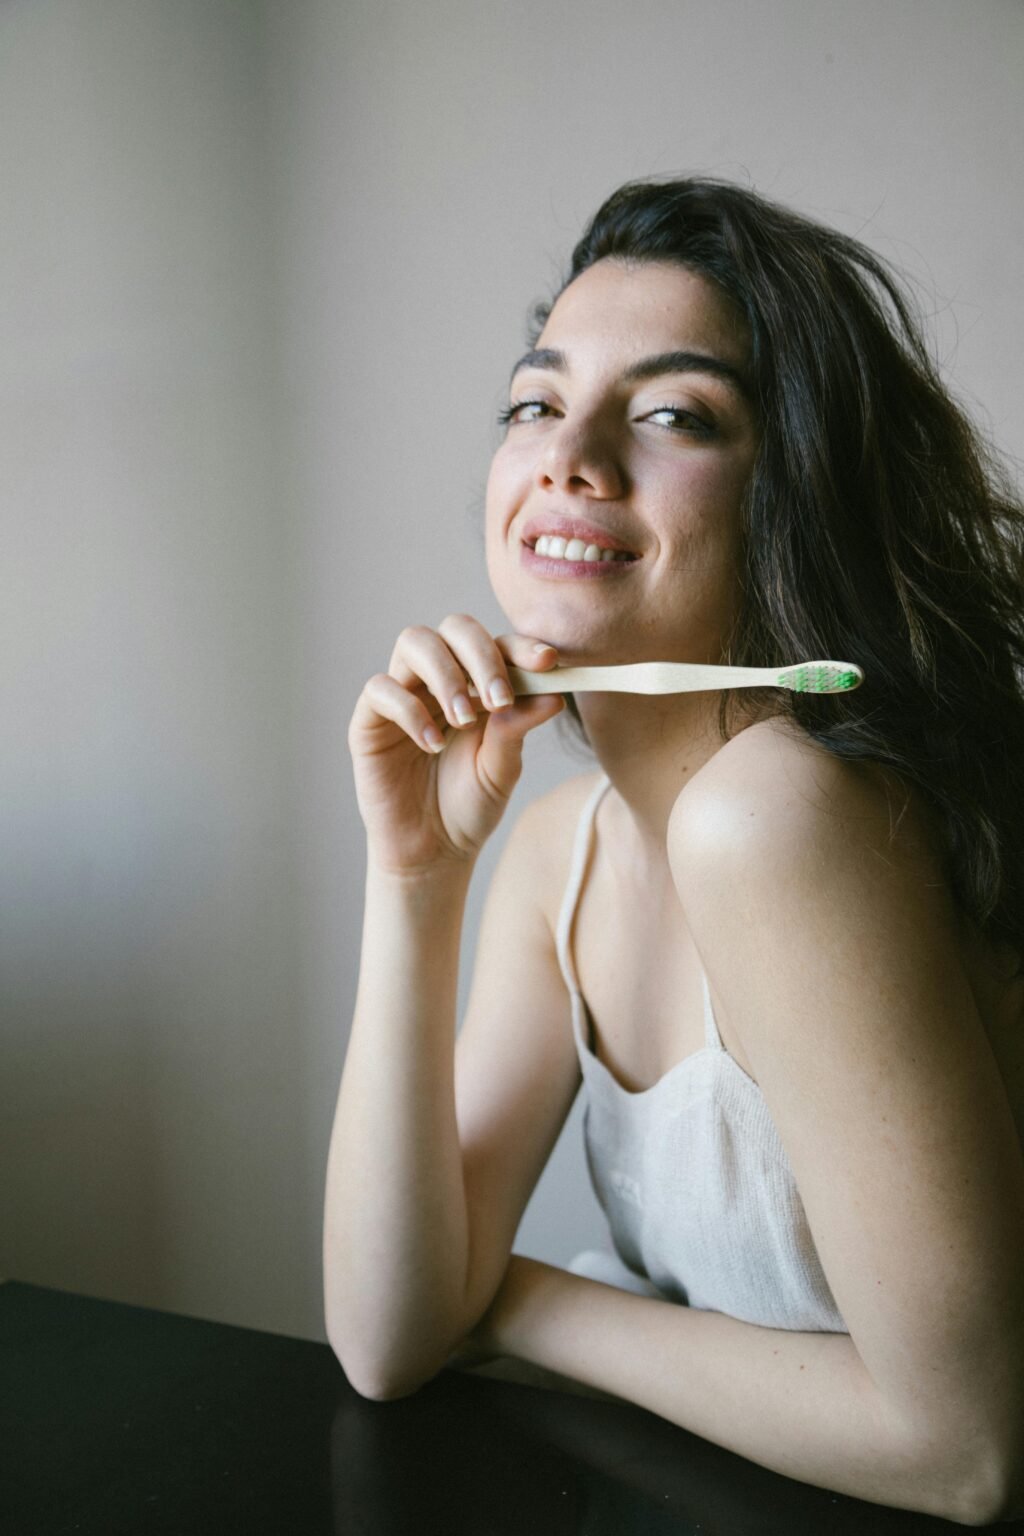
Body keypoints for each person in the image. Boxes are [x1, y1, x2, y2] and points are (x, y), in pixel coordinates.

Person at [323, 177, 1024, 1525]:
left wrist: (525, 1301)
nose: (567, 454)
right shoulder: (556, 851)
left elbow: (966, 1452)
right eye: (537, 401)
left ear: (786, 495)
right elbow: (388, 1334)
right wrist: (413, 876)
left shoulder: (772, 817)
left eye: (671, 415)